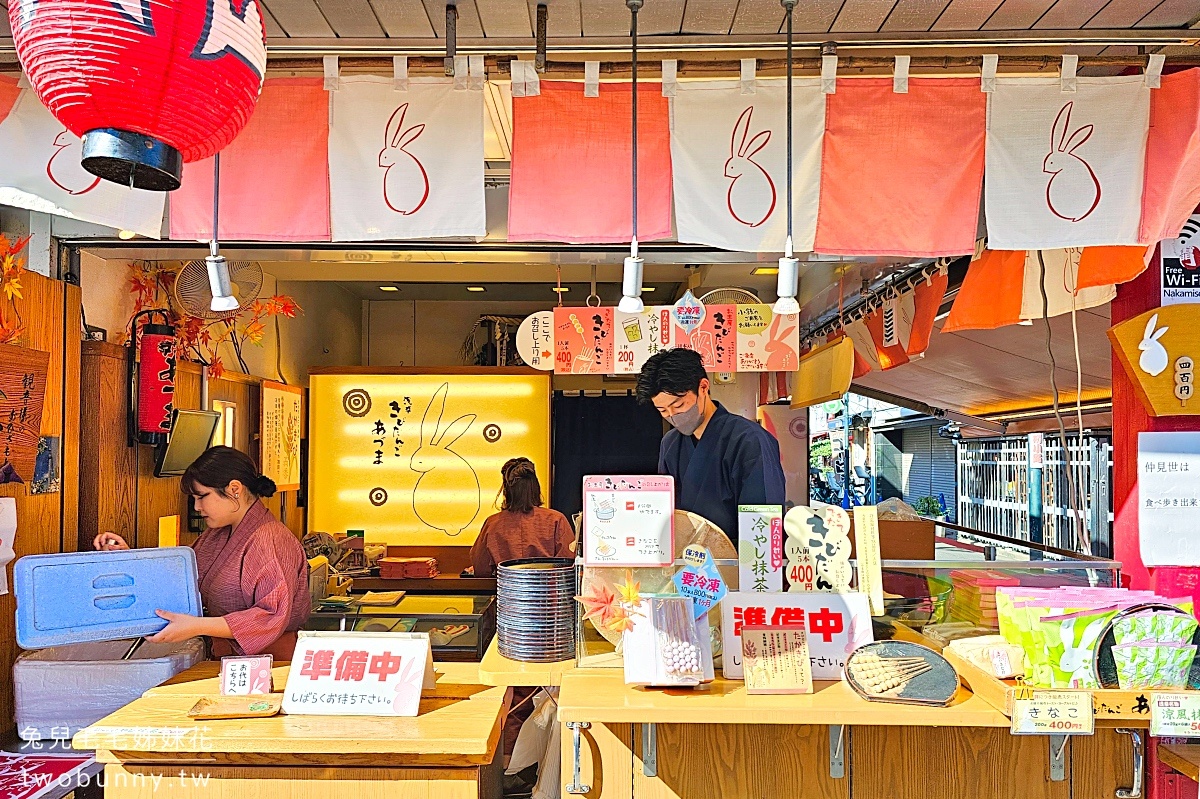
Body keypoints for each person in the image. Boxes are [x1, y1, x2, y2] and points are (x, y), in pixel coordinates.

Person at [94, 446, 310, 660]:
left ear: (234, 488)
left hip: (270, 662)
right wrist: (126, 558)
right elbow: (179, 580)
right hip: (227, 657)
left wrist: (198, 626)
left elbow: (269, 616)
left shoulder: (269, 538)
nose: (197, 507)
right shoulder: (216, 534)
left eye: (201, 497)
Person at [636, 347, 786, 544]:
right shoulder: (670, 444)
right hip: (685, 564)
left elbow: (764, 520)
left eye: (679, 405)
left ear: (703, 387)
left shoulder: (749, 440)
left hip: (739, 562)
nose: (672, 415)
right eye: (663, 410)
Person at [469, 457, 575, 577]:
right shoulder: (557, 520)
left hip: (507, 592)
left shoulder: (492, 524)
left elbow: (481, 568)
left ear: (506, 491)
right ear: (535, 488)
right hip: (546, 593)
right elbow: (568, 565)